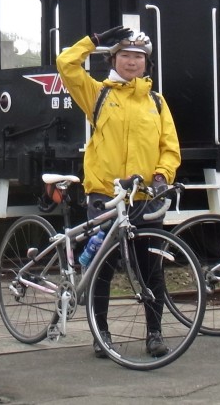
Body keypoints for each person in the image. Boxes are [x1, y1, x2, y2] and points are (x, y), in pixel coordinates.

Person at [56, 25, 181, 359]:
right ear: (113, 58)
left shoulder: (156, 101)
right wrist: (95, 40)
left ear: (146, 63)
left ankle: (154, 334)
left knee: (151, 269)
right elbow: (66, 63)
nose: (131, 62)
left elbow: (170, 146)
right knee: (103, 269)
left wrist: (161, 174)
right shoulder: (97, 94)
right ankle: (102, 333)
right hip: (105, 196)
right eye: (125, 55)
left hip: (145, 198)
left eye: (138, 57)